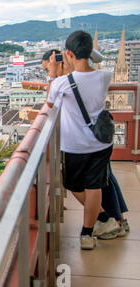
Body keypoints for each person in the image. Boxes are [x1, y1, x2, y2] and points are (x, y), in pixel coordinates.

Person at [42, 49, 130, 241]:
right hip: (99, 138)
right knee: (104, 180)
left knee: (96, 183)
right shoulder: (90, 77)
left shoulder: (67, 81)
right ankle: (117, 219)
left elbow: (49, 107)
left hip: (82, 142)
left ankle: (111, 220)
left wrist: (54, 76)